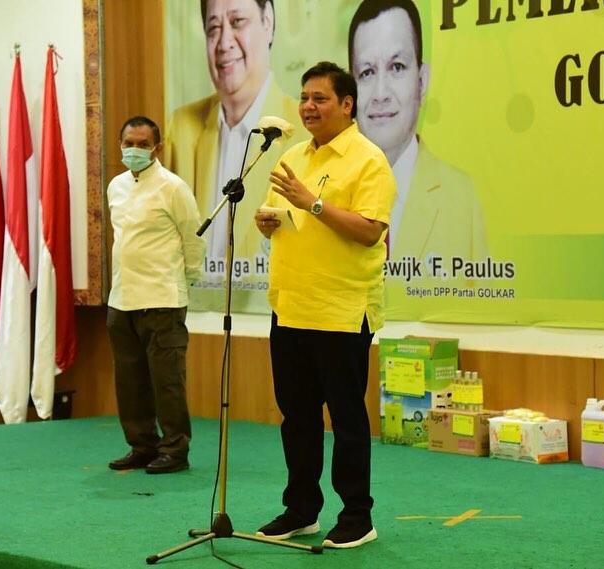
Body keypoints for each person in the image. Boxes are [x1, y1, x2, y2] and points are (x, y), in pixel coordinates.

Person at [253, 62, 395, 549]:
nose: (308, 107)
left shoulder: (369, 159)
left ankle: (357, 516)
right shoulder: (293, 155)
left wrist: (312, 203)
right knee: (297, 417)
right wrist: (267, 221)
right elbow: (278, 213)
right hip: (291, 306)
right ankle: (301, 509)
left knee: (347, 419)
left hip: (341, 310)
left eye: (320, 99)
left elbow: (370, 230)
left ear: (347, 104)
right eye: (304, 98)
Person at [165, 0, 304, 263]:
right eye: (213, 28)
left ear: (267, 22)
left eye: (237, 22)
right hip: (199, 287)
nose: (224, 43)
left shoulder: (302, 131)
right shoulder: (181, 126)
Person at [348, 0, 487, 261]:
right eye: (366, 73)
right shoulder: (329, 189)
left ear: (421, 82)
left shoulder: (461, 196)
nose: (380, 94)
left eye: (397, 67)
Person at [106, 116, 205, 475]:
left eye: (143, 144)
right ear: (120, 145)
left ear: (157, 148)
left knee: (167, 382)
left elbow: (193, 238)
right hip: (122, 298)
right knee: (130, 381)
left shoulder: (173, 187)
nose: (134, 150)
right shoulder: (116, 186)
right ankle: (142, 445)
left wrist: (184, 282)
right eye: (129, 143)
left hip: (162, 299)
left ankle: (175, 449)